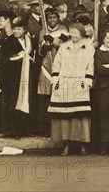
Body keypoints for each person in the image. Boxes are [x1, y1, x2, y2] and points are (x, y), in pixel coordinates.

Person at [48, 22, 95, 156]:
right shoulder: (63, 47)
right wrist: (55, 80)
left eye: (76, 32)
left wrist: (87, 81)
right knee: (65, 116)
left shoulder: (89, 48)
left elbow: (90, 66)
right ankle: (66, 144)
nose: (73, 35)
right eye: (71, 32)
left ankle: (82, 145)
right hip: (64, 83)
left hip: (80, 83)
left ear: (81, 33)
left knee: (80, 116)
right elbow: (56, 65)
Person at [0, 16, 36, 138]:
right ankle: (15, 130)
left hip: (27, 76)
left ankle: (27, 128)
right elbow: (5, 61)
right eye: (14, 29)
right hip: (13, 78)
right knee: (14, 103)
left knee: (28, 101)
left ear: (25, 30)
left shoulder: (31, 42)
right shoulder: (8, 42)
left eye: (19, 29)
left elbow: (33, 57)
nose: (16, 31)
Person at [36, 9, 69, 137]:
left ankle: (59, 128)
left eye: (54, 17)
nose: (52, 20)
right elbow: (40, 50)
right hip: (46, 65)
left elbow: (64, 44)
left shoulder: (63, 29)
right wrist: (46, 45)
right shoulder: (43, 30)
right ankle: (45, 128)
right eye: (49, 18)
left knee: (59, 97)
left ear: (58, 18)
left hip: (60, 65)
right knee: (45, 98)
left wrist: (53, 41)